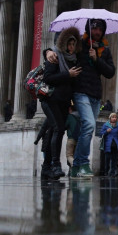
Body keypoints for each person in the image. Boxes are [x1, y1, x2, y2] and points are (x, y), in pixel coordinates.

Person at [48, 18, 115, 178]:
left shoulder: (104, 50)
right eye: (94, 28)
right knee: (89, 124)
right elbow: (63, 48)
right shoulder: (80, 44)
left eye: (100, 29)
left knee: (88, 129)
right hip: (80, 91)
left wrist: (96, 59)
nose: (97, 32)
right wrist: (48, 51)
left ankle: (76, 166)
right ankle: (83, 163)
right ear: (88, 28)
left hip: (96, 94)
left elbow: (110, 72)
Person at [41, 27, 82, 179]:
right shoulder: (54, 57)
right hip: (51, 100)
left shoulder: (74, 60)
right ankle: (55, 164)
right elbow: (48, 78)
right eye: (69, 44)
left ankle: (46, 167)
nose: (71, 48)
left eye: (73, 44)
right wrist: (67, 74)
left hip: (65, 102)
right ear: (63, 44)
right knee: (58, 129)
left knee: (55, 131)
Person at [100, 113, 118, 177]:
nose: (114, 118)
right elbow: (101, 133)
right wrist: (106, 131)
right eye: (113, 117)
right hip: (108, 145)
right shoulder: (106, 125)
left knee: (115, 160)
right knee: (107, 160)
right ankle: (106, 172)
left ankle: (113, 173)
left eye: (115, 117)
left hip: (116, 145)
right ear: (110, 118)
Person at [64, 104, 80, 171]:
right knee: (76, 156)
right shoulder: (81, 117)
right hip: (79, 139)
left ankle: (75, 165)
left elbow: (65, 126)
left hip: (71, 138)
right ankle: (72, 171)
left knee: (69, 155)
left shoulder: (70, 116)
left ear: (70, 109)